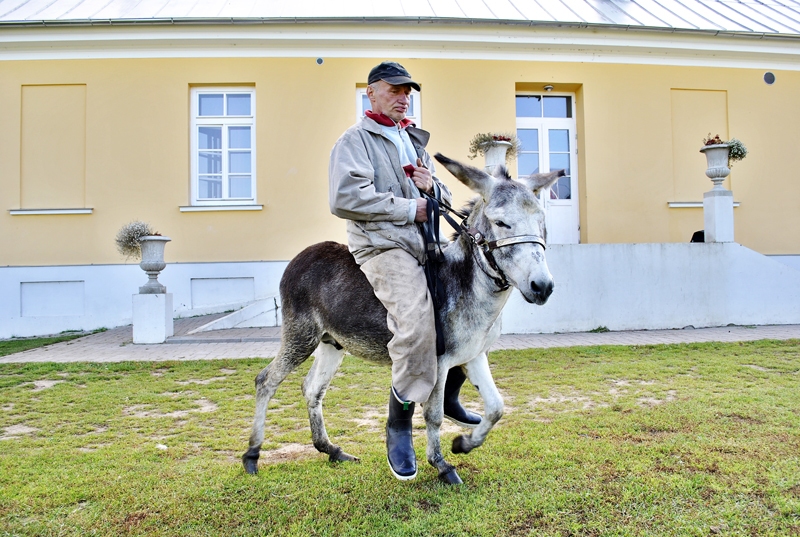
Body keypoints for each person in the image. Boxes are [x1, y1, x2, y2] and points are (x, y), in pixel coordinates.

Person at [329, 61, 481, 481]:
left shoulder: (410, 140)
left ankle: (449, 392)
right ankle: (399, 423)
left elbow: (439, 195)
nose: (403, 96)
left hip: (424, 242)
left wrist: (433, 187)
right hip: (382, 246)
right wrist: (407, 207)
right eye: (394, 89)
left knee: (473, 303)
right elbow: (344, 198)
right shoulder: (354, 141)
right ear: (371, 93)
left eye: (408, 91)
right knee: (416, 324)